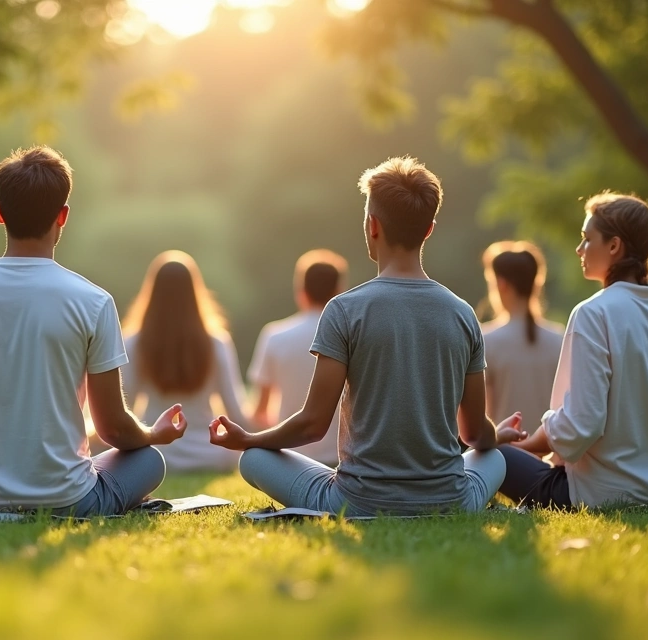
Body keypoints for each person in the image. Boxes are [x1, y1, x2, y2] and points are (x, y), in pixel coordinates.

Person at [209, 156, 522, 516]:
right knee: (494, 457)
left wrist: (248, 439)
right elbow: (475, 435)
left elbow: (312, 424)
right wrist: (499, 435)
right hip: (450, 500)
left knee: (254, 459)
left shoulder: (344, 310)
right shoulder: (463, 314)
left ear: (372, 225)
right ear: (428, 229)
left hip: (356, 502)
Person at [0, 146, 186, 516]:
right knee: (150, 460)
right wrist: (154, 434)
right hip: (71, 501)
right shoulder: (94, 302)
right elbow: (113, 429)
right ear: (63, 216)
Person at [499, 193, 648, 508]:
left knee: (491, 453)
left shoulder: (593, 313)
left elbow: (581, 426)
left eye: (587, 239)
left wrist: (526, 443)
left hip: (595, 495)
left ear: (614, 246)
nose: (580, 249)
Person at [122, 250, 252, 472]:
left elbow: (125, 407)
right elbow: (236, 412)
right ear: (195, 291)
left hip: (155, 452)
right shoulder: (216, 342)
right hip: (210, 453)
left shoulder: (134, 343)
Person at [247, 249, 348, 466]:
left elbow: (260, 412)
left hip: (290, 455)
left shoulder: (275, 335)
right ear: (339, 291)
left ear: (301, 291)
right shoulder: (351, 337)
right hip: (343, 456)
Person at [480, 242, 564, 430]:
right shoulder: (559, 339)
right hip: (547, 454)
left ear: (501, 285)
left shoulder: (486, 341)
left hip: (504, 455)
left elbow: (482, 416)